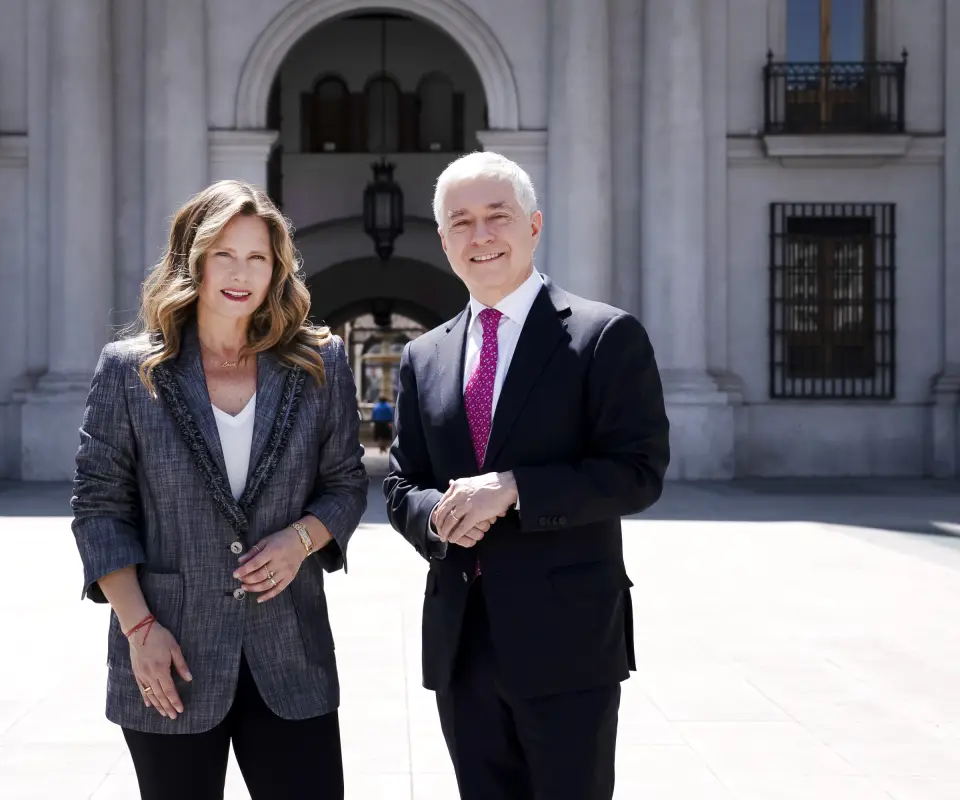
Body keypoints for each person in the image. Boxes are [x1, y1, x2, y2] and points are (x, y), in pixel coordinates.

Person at [383, 152, 670, 799]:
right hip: (461, 642)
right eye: (462, 222)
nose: (480, 236)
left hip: (567, 642)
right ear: (444, 240)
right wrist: (436, 516)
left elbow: (639, 471)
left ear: (534, 225)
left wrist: (515, 488)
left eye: (497, 217)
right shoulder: (422, 356)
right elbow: (401, 483)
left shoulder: (604, 337)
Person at [72, 179, 368, 800]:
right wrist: (139, 630)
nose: (241, 273)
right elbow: (100, 508)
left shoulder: (319, 363)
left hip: (290, 654)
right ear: (193, 261)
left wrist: (302, 539)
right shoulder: (130, 370)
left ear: (276, 269)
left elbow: (345, 484)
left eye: (257, 257)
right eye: (224, 255)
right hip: (167, 653)